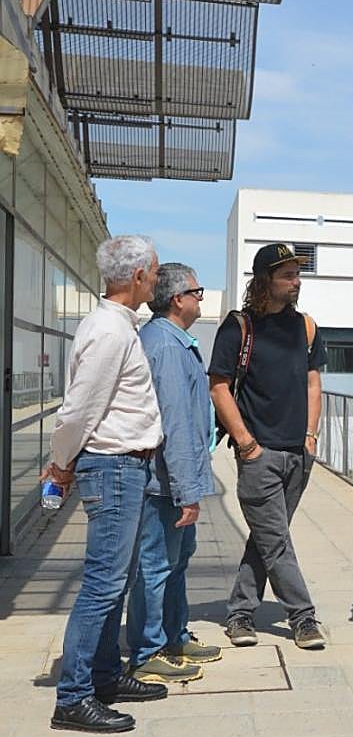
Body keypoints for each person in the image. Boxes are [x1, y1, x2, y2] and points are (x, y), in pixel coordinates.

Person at [45, 235, 166, 734]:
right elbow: (80, 407)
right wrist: (59, 463)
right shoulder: (110, 332)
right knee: (102, 584)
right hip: (114, 467)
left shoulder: (120, 327)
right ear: (136, 277)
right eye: (154, 273)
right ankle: (73, 697)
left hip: (126, 467)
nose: (157, 281)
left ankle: (103, 676)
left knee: (116, 581)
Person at [209, 243, 328, 651]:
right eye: (288, 275)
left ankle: (240, 613)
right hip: (259, 454)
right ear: (265, 281)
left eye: (298, 274)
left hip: (299, 453)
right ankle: (303, 617)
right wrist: (246, 443)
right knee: (276, 539)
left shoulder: (306, 326)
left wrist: (311, 437)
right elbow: (219, 387)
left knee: (267, 536)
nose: (297, 282)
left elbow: (314, 382)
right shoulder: (238, 327)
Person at [125, 263, 220, 685]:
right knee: (156, 566)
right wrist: (186, 491)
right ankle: (147, 651)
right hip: (164, 482)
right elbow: (176, 423)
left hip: (175, 479)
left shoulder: (175, 341)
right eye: (197, 291)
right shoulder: (163, 344)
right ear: (178, 299)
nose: (201, 298)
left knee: (176, 562)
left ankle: (174, 636)